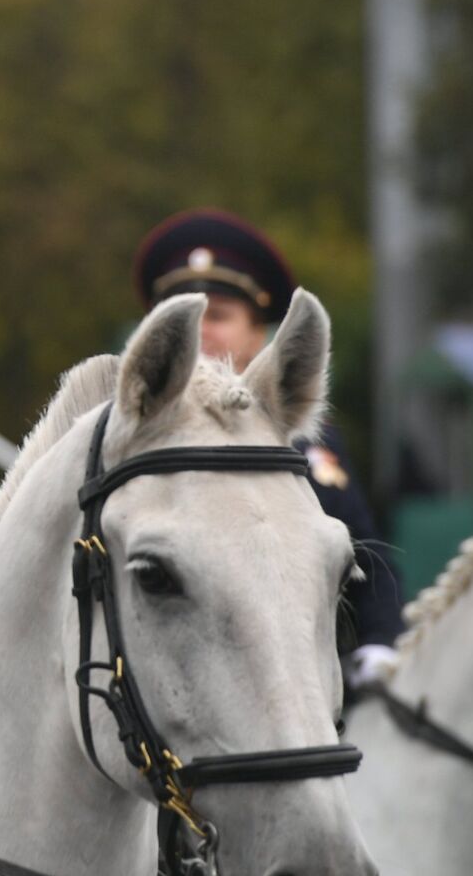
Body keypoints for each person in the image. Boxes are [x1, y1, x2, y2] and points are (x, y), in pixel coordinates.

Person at [133, 208, 403, 688]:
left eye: (216, 316)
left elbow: (364, 553)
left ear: (258, 333)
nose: (200, 332)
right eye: (181, 319)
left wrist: (379, 641)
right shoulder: (124, 434)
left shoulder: (305, 438)